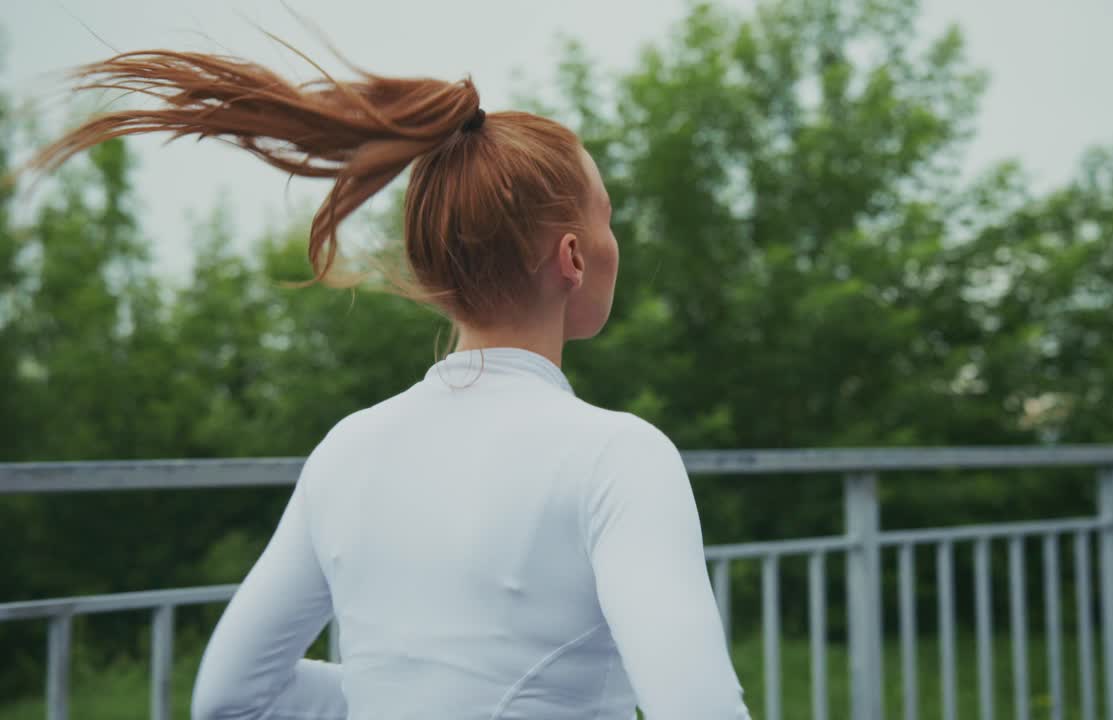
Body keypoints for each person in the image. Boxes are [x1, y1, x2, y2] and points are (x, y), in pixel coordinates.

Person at [32, 48, 750, 719]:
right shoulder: (619, 457)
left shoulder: (348, 448)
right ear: (573, 258)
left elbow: (229, 698)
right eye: (608, 219)